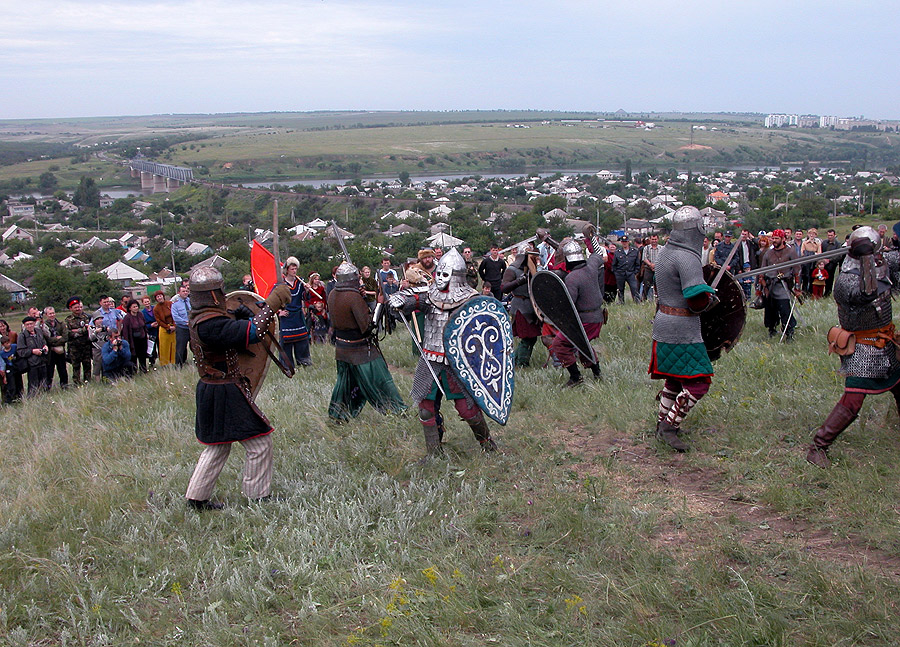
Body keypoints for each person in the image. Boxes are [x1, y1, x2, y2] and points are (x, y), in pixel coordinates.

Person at [183, 266, 292, 510]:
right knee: (259, 443)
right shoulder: (210, 324)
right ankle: (257, 497)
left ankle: (196, 499)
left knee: (218, 446)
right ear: (214, 294)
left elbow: (229, 324)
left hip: (212, 388)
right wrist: (271, 303)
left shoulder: (199, 317)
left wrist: (240, 314)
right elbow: (253, 332)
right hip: (225, 391)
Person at [390, 248, 498, 457]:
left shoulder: (471, 299)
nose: (440, 278)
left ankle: (487, 445)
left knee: (466, 409)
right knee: (425, 408)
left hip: (457, 362)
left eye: (445, 274)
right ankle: (434, 452)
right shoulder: (431, 295)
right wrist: (400, 300)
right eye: (439, 273)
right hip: (430, 359)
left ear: (456, 276)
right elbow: (415, 299)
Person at [806, 227, 900, 468]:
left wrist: (876, 256)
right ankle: (818, 446)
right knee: (853, 400)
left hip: (887, 341)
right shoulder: (846, 280)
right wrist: (867, 257)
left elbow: (894, 261)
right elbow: (867, 292)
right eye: (872, 255)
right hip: (864, 347)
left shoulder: (883, 261)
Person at [648, 206, 718, 452]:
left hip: (663, 323)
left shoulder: (666, 252)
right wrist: (710, 299)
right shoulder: (687, 258)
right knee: (699, 383)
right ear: (696, 230)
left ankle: (661, 425)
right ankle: (669, 427)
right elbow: (695, 300)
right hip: (681, 328)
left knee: (675, 380)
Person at [327, 261, 407, 421]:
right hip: (361, 351)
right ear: (352, 279)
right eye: (357, 279)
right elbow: (368, 326)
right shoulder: (352, 297)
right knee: (381, 382)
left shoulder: (333, 294)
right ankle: (398, 413)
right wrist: (378, 304)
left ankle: (339, 416)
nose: (360, 281)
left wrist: (362, 297)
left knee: (344, 386)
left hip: (342, 350)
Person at [550, 238, 605, 386]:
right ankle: (597, 374)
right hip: (597, 317)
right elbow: (598, 254)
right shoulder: (592, 266)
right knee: (583, 344)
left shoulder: (572, 278)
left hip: (586, 320)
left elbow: (569, 305)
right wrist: (590, 238)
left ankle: (575, 377)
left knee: (560, 345)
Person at [500, 242, 542, 368]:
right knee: (529, 336)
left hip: (531, 305)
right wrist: (519, 281)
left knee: (530, 336)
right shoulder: (512, 269)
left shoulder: (532, 269)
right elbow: (504, 288)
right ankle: (521, 363)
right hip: (520, 306)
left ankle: (515, 360)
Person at [759, 229, 801, 341]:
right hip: (770, 285)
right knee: (770, 310)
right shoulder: (768, 253)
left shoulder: (790, 251)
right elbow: (762, 271)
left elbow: (797, 270)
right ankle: (772, 329)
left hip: (783, 285)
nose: (774, 240)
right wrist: (762, 287)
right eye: (773, 238)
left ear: (783, 239)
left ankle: (789, 332)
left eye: (777, 238)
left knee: (785, 309)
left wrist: (797, 288)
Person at [279, 256, 312, 368]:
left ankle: (304, 363)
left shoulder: (300, 282)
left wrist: (307, 290)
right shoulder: (280, 284)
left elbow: (307, 299)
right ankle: (287, 366)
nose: (294, 271)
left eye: (296, 269)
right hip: (287, 318)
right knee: (286, 344)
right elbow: (272, 301)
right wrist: (279, 312)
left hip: (298, 316)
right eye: (292, 269)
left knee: (302, 341)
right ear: (287, 270)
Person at [16, 316, 49, 396]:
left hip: (42, 361)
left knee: (44, 384)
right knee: (33, 386)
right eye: (27, 324)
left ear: (34, 324)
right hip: (32, 364)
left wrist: (45, 346)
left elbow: (44, 341)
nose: (29, 326)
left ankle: (45, 398)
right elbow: (20, 351)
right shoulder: (22, 336)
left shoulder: (39, 331)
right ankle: (32, 400)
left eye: (31, 324)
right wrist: (32, 351)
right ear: (24, 325)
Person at [43, 306, 69, 389]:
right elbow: (46, 340)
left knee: (62, 369)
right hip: (50, 352)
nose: (52, 315)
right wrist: (56, 339)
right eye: (50, 313)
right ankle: (48, 386)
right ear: (46, 314)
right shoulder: (44, 326)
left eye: (53, 313)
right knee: (49, 370)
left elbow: (65, 338)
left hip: (60, 351)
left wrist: (54, 341)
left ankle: (64, 385)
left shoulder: (61, 324)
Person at [121, 299, 149, 373]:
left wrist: (146, 334)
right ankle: (133, 371)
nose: (136, 308)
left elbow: (144, 325)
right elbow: (125, 331)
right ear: (130, 308)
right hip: (133, 340)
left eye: (137, 306)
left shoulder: (140, 314)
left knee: (142, 355)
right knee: (133, 356)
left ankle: (143, 370)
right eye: (134, 307)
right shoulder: (127, 318)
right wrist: (127, 343)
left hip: (142, 338)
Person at [612, 236, 640, 303]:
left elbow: (637, 264)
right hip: (620, 273)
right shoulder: (617, 252)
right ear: (621, 242)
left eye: (626, 242)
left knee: (634, 288)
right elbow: (614, 264)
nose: (624, 243)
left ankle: (637, 302)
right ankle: (621, 302)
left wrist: (635, 272)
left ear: (628, 242)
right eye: (623, 242)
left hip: (631, 273)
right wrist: (616, 273)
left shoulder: (634, 251)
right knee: (620, 289)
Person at [153, 290, 177, 366]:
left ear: (163, 296)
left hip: (173, 327)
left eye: (160, 296)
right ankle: (164, 363)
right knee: (164, 346)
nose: (159, 298)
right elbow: (158, 321)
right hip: (164, 328)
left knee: (173, 345)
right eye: (157, 297)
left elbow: (174, 314)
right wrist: (167, 327)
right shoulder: (156, 308)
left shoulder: (170, 304)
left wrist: (174, 326)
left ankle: (174, 362)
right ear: (156, 299)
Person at [171, 284, 192, 367]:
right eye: (183, 291)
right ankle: (179, 365)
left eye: (187, 291)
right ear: (179, 292)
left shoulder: (191, 302)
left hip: (192, 328)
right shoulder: (175, 304)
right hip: (182, 328)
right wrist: (185, 322)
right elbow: (175, 317)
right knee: (181, 348)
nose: (185, 293)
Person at [1, 335, 23, 402]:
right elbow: (3, 363)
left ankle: (20, 396)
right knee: (11, 384)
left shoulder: (14, 347)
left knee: (19, 382)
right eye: (6, 343)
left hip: (16, 367)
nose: (8, 344)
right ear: (3, 345)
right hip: (9, 369)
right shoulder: (2, 353)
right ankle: (11, 398)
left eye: (9, 342)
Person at [821, 228, 841, 297]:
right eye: (828, 235)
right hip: (823, 263)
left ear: (834, 235)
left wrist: (830, 260)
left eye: (831, 235)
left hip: (832, 263)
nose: (829, 237)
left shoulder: (837, 244)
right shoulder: (824, 243)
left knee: (830, 278)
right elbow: (821, 252)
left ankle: (827, 293)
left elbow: (839, 255)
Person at [640, 234, 660, 301]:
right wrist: (651, 265)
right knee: (646, 285)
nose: (654, 241)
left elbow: (663, 258)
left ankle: (658, 300)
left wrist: (656, 265)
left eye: (655, 239)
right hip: (648, 269)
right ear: (650, 240)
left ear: (658, 239)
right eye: (652, 239)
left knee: (658, 285)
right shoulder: (646, 248)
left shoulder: (662, 248)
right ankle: (644, 299)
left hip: (658, 269)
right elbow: (644, 258)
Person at [141, 295, 158, 368]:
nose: (147, 303)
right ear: (143, 303)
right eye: (145, 302)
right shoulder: (142, 313)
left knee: (160, 347)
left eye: (148, 301)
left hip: (158, 330)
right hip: (150, 332)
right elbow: (143, 325)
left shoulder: (155, 309)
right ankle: (152, 363)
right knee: (152, 350)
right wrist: (151, 325)